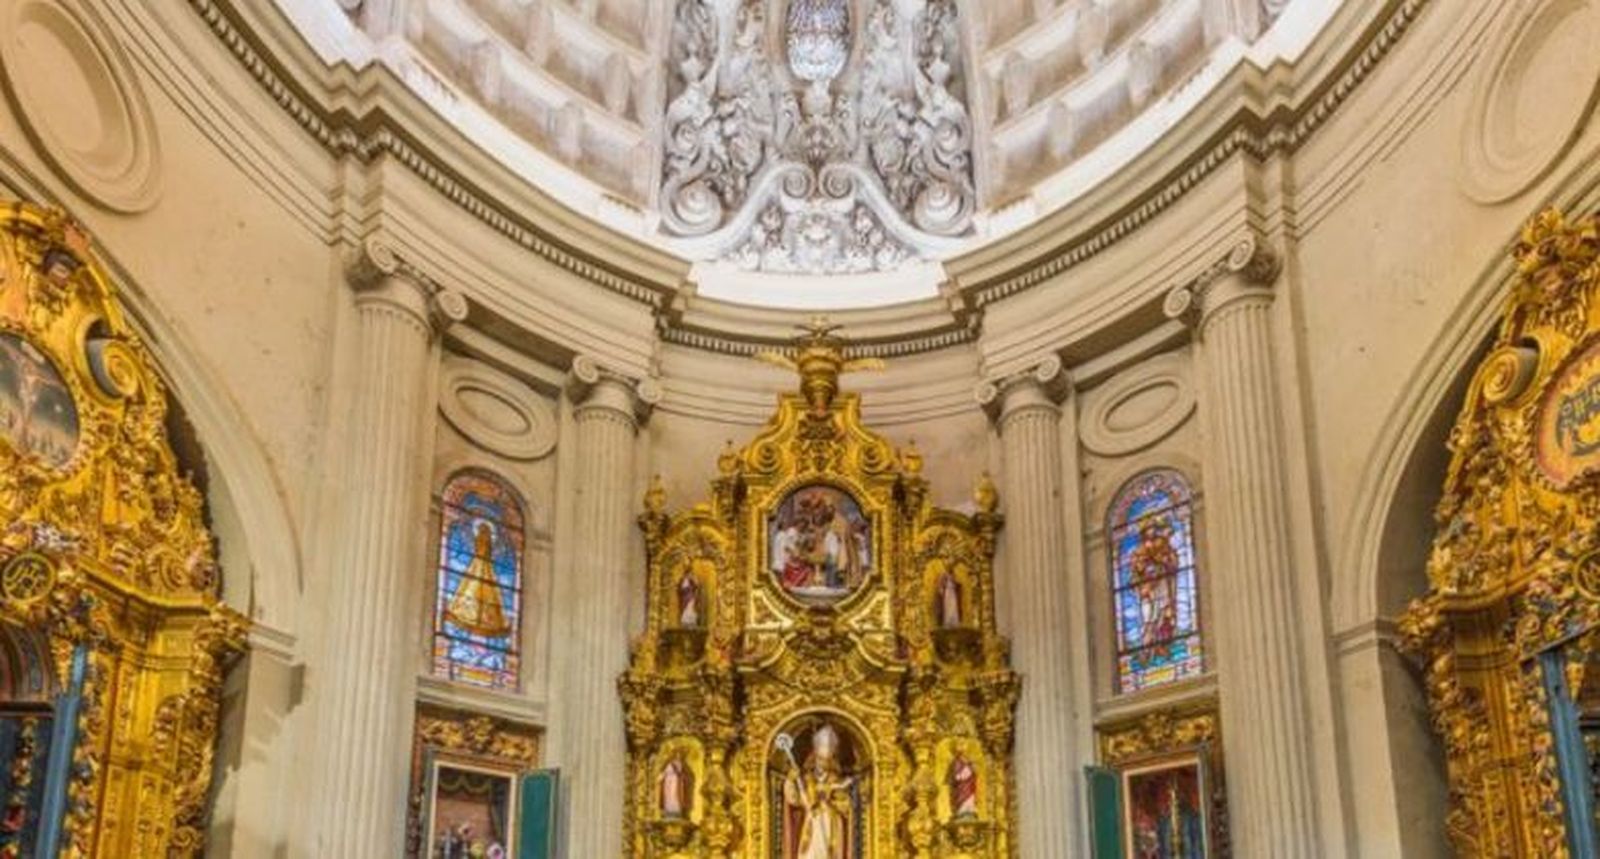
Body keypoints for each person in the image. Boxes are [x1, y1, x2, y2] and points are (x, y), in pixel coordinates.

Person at [782, 725, 854, 859]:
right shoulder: (806, 779)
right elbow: (794, 799)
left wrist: (835, 799)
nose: (823, 764)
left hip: (830, 821)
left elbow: (846, 805)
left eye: (827, 760)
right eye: (820, 759)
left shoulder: (835, 779)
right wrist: (791, 780)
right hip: (810, 821)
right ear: (814, 758)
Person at [948, 750, 978, 818]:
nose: (965, 758)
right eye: (963, 756)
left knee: (970, 799)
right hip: (961, 788)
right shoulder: (957, 764)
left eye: (966, 756)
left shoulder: (969, 766)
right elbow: (956, 777)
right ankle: (962, 811)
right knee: (962, 799)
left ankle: (969, 810)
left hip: (970, 787)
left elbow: (974, 775)